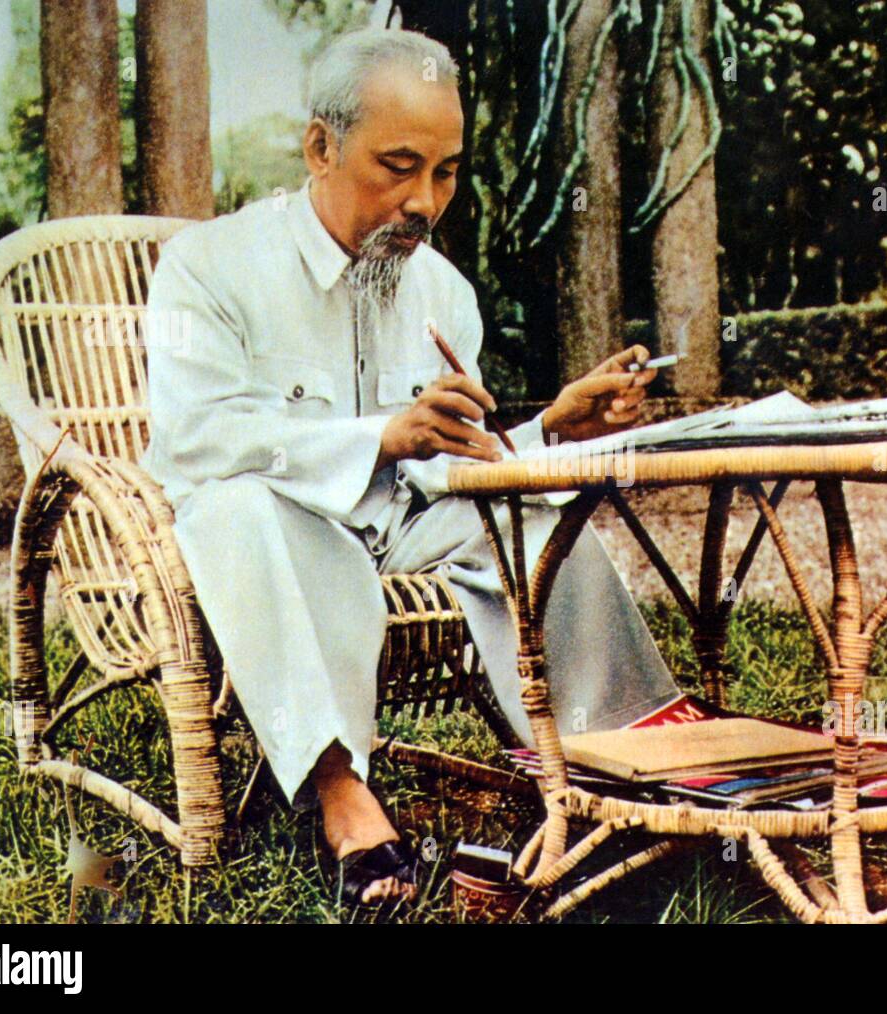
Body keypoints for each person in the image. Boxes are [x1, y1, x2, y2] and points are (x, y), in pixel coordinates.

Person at [140, 26, 683, 905]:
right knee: (243, 509)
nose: (425, 202)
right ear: (320, 146)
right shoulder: (208, 269)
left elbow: (451, 468)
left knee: (541, 518)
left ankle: (619, 769)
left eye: (447, 170)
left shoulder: (443, 291)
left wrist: (547, 428)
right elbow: (197, 442)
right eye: (398, 166)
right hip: (274, 532)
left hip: (401, 528)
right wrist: (380, 438)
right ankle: (343, 794)